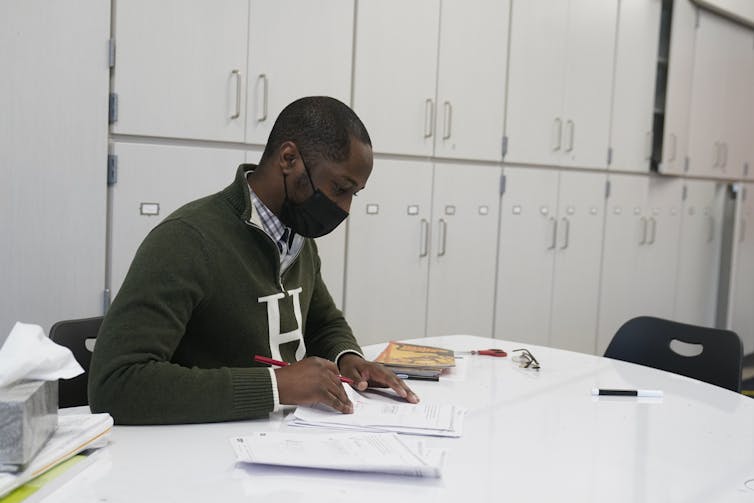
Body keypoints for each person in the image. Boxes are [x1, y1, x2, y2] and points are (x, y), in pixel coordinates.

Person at [89, 96, 419, 424]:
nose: (345, 208)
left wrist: (348, 358)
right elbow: (116, 383)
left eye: (353, 194)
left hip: (285, 437)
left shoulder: (297, 232)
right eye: (339, 188)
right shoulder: (188, 239)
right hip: (204, 449)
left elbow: (323, 323)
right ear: (289, 159)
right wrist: (276, 387)